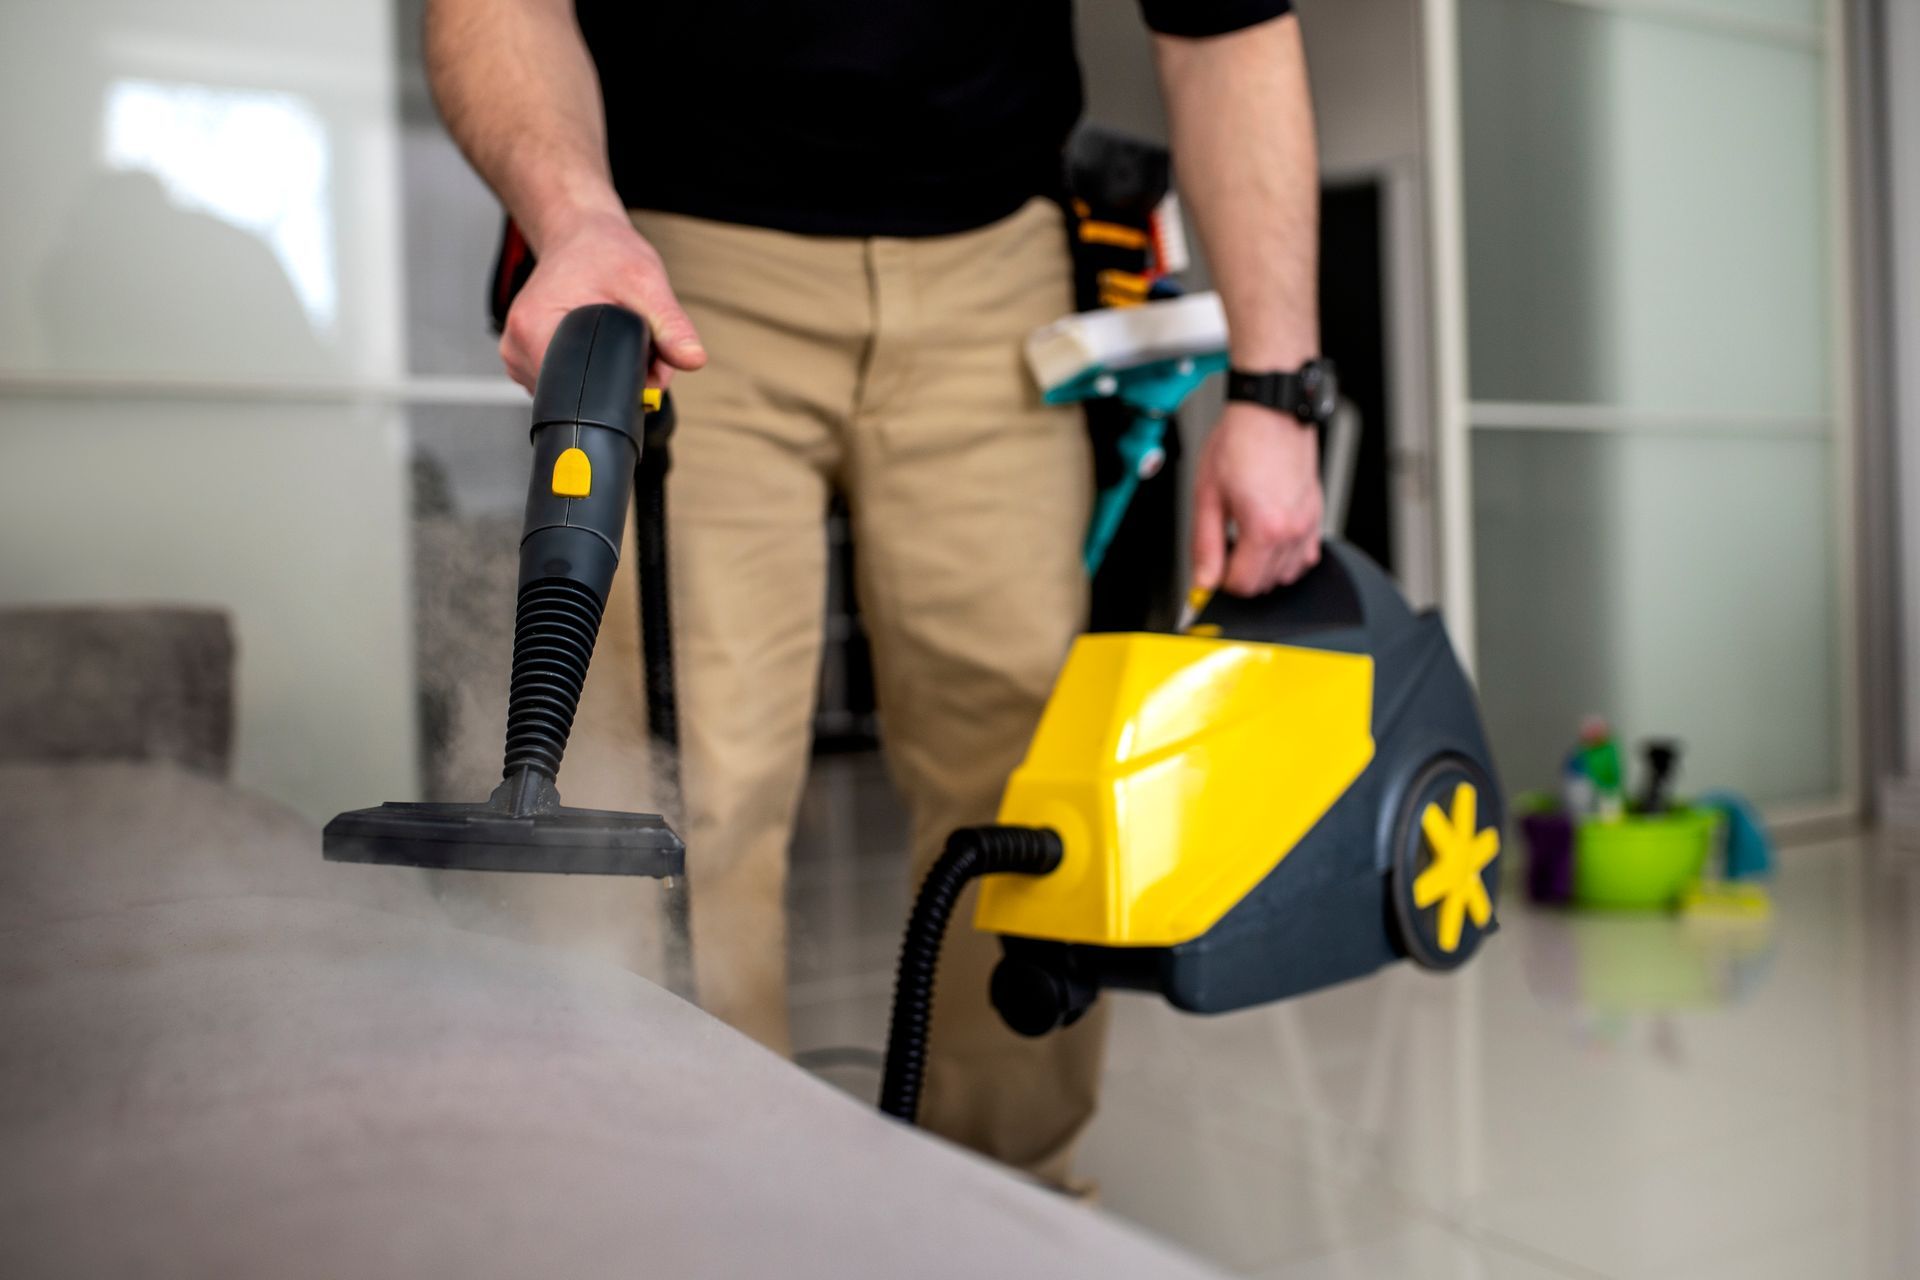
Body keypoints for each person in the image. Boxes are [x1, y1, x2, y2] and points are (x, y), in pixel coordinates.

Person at [425, 0, 1327, 1187]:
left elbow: (1225, 26)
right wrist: (575, 219)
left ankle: (1009, 1198)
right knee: (683, 781)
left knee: (1024, 766)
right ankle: (695, 1205)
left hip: (996, 256)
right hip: (678, 240)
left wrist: (1275, 387)